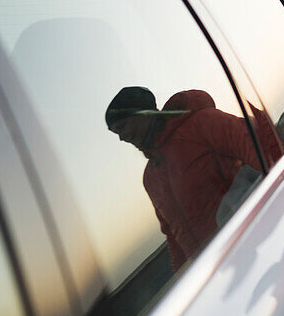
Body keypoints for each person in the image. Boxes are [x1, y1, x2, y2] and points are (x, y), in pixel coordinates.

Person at [105, 86, 263, 270]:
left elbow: (261, 149)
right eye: (116, 133)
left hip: (251, 246)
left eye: (122, 127)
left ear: (142, 114)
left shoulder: (200, 124)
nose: (122, 138)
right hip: (209, 276)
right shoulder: (149, 179)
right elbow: (172, 235)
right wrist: (182, 275)